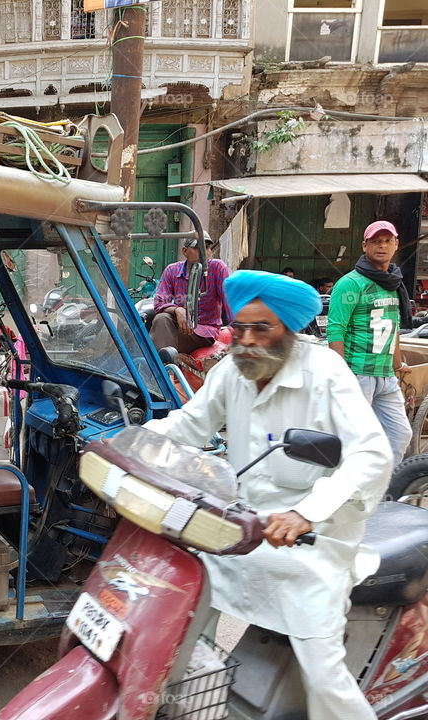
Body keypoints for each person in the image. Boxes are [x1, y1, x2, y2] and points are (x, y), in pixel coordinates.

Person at [145, 270, 391, 720]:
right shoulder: (231, 370)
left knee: (323, 674)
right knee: (180, 624)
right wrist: (129, 447)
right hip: (242, 529)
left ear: (288, 331)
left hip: (313, 543)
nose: (248, 340)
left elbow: (372, 455)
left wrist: (307, 513)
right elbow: (188, 426)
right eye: (240, 328)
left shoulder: (326, 372)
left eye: (262, 328)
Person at [327, 220, 412, 467]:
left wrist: (398, 364)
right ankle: (342, 493)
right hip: (358, 374)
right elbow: (335, 329)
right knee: (353, 440)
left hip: (386, 376)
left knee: (399, 435)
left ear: (396, 245)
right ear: (365, 246)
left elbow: (393, 326)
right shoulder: (350, 283)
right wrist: (341, 373)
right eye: (376, 241)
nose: (382, 246)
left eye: (387, 241)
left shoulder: (393, 283)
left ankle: (378, 490)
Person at [150, 232, 232, 354]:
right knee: (161, 319)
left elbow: (230, 301)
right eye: (197, 248)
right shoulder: (172, 270)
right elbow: (159, 303)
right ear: (185, 251)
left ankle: (162, 366)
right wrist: (177, 310)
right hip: (181, 327)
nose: (204, 253)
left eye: (207, 248)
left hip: (204, 331)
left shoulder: (217, 268)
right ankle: (163, 364)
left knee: (160, 338)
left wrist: (237, 331)